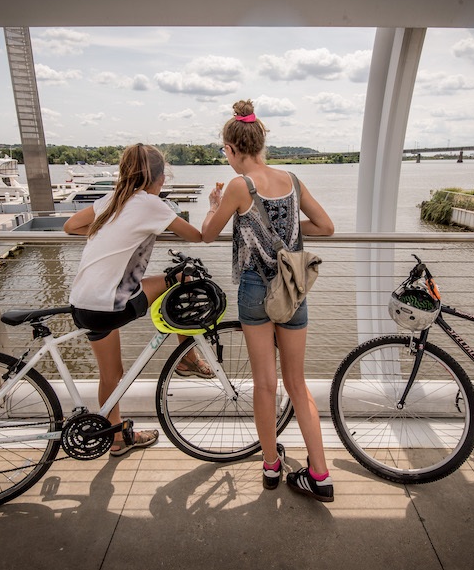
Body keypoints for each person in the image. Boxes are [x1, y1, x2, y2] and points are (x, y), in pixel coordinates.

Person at [201, 100, 336, 502]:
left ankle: (271, 465)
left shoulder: (238, 186)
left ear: (231, 148)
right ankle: (320, 474)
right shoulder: (292, 179)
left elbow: (209, 233)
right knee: (298, 384)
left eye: (225, 151)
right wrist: (290, 231)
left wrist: (214, 205)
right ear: (261, 142)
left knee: (265, 384)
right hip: (292, 289)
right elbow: (326, 227)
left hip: (255, 289)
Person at [64, 144, 209, 457]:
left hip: (83, 302)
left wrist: (113, 228)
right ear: (157, 178)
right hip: (107, 305)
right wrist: (213, 207)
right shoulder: (149, 203)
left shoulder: (111, 201)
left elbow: (70, 226)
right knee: (185, 277)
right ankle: (187, 357)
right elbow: (196, 236)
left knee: (111, 376)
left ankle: (115, 439)